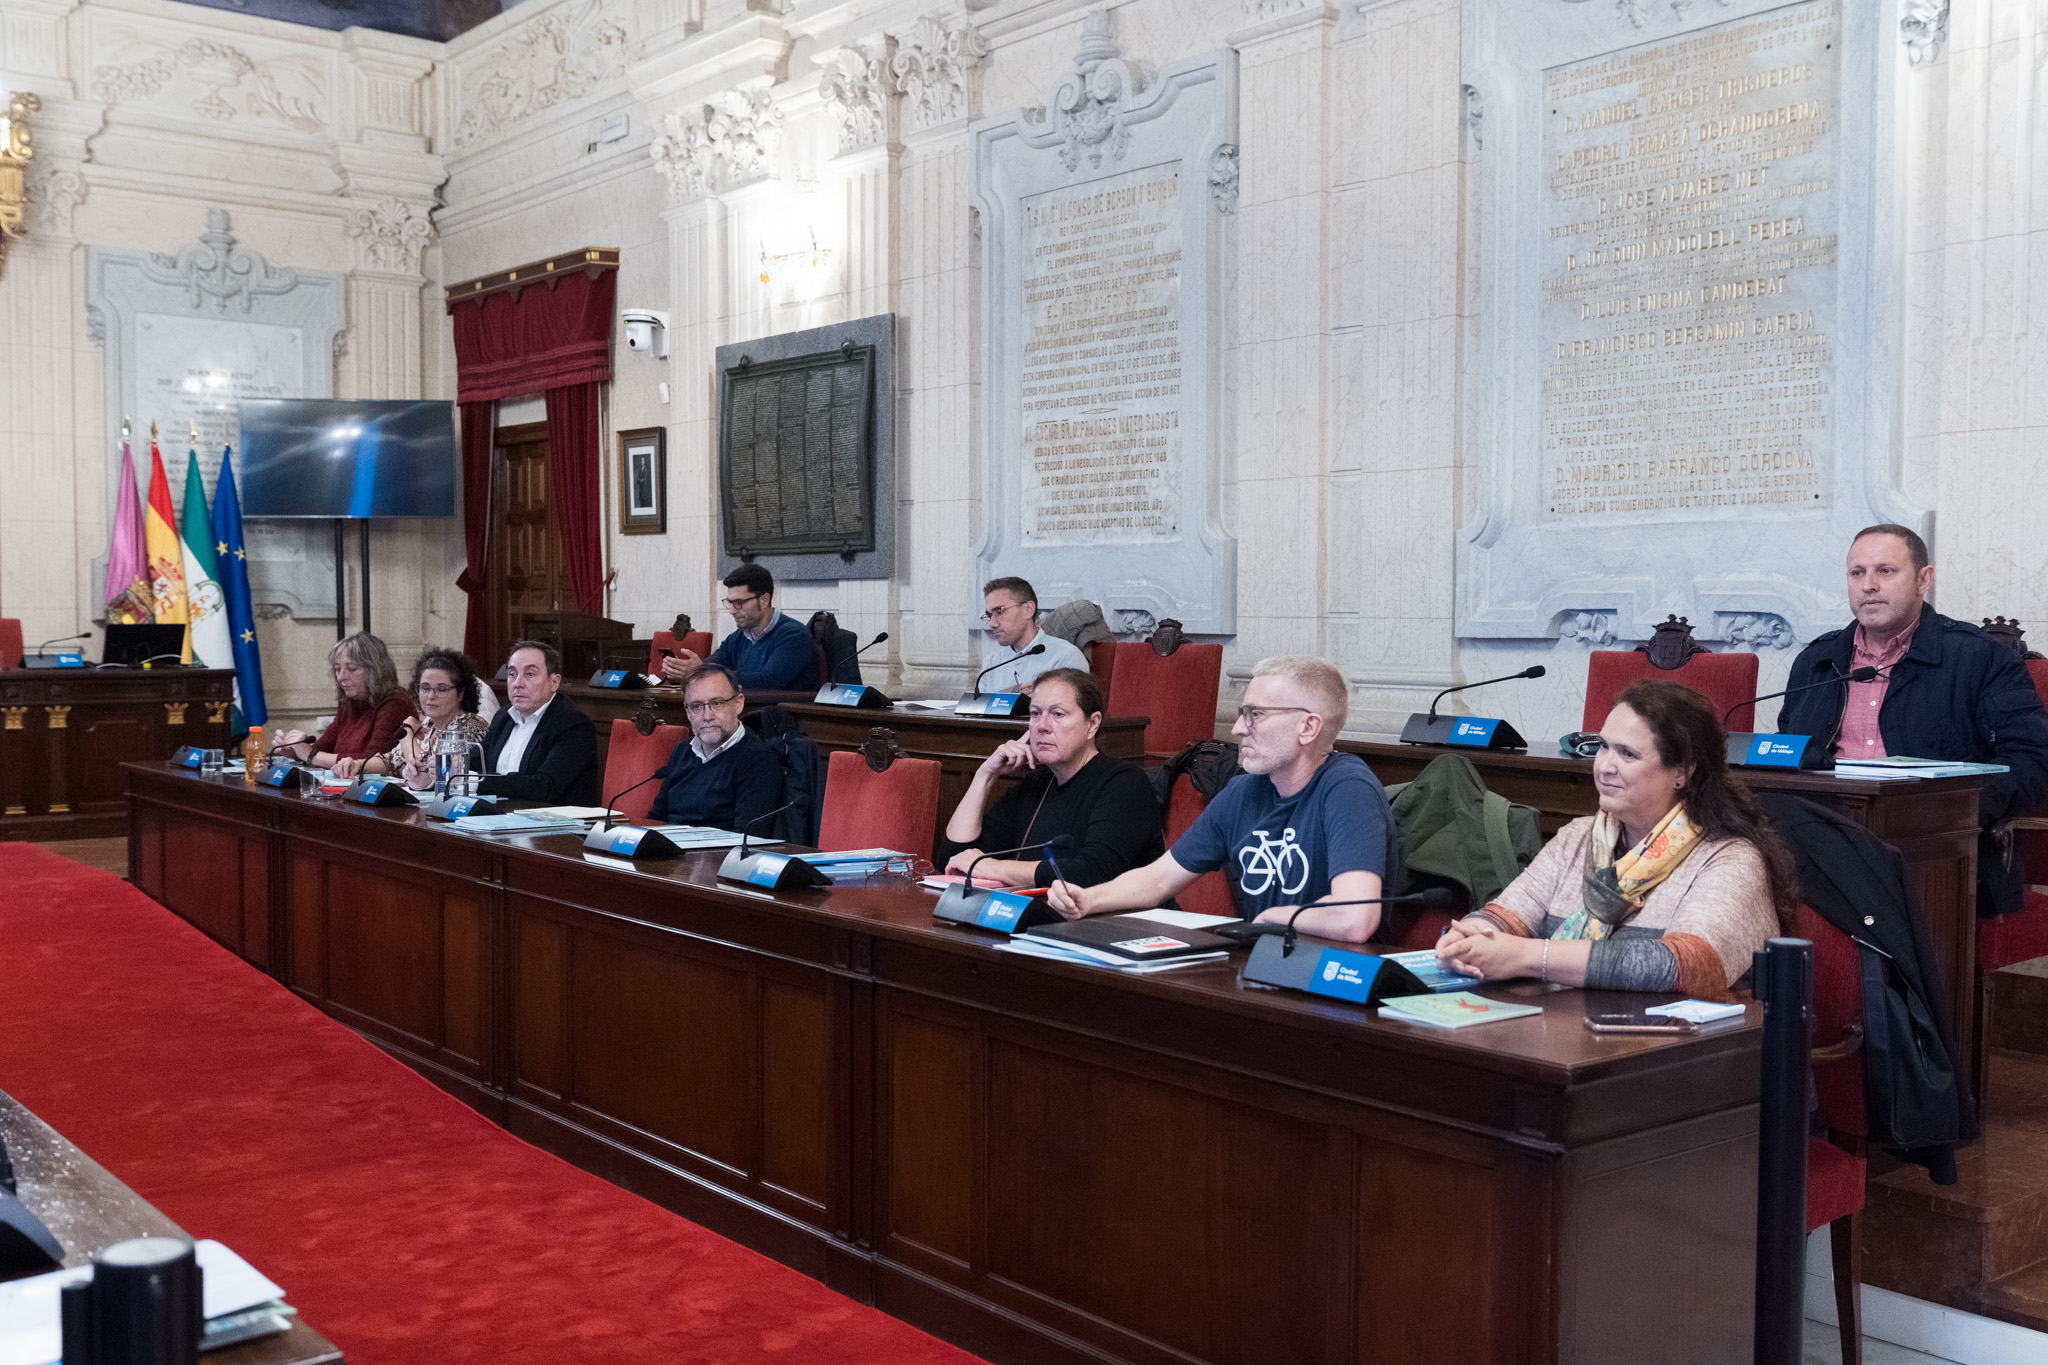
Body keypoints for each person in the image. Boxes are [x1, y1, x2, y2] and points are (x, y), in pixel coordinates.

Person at [1436, 680, 1793, 1000]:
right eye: (1602, 747)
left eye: (1627, 754)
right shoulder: (1578, 836)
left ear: (1682, 771)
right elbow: (1507, 917)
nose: (1604, 766)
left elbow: (1681, 966)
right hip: (1574, 1033)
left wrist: (1527, 956)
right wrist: (1473, 936)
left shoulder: (1730, 858)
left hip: (1685, 1056)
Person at [1777, 523, 2048, 914]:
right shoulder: (1817, 661)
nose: (1869, 584)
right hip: (1819, 838)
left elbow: (2031, 763)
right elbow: (1789, 755)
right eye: (1858, 573)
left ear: (1924, 579)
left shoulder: (1981, 659)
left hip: (1933, 850)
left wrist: (1946, 810)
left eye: (1885, 571)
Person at [1046, 656, 1391, 940]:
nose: (1239, 729)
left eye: (1256, 714)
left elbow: (1354, 917)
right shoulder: (1244, 790)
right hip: (1265, 964)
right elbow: (1159, 879)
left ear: (1308, 728)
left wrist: (1273, 917)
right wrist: (1089, 898)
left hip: (1334, 982)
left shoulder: (1348, 788)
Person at [938, 668, 1162, 888]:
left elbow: (1092, 873)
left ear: (1092, 724)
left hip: (1110, 921)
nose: (1042, 726)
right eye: (1036, 713)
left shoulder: (1124, 784)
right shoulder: (1037, 783)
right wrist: (984, 776)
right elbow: (954, 860)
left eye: (1058, 714)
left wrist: (990, 867)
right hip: (1043, 916)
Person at [645, 663, 785, 829]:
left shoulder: (759, 759)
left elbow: (746, 839)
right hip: (669, 850)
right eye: (696, 706)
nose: (707, 716)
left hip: (717, 853)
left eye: (717, 703)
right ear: (688, 712)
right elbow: (655, 820)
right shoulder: (682, 751)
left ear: (738, 704)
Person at [334, 649, 491, 787]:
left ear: (460, 693)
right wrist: (357, 765)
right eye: (425, 688)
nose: (431, 696)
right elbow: (389, 762)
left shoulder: (470, 725)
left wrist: (407, 734)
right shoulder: (428, 725)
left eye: (441, 689)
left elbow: (425, 770)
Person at [658, 565, 820, 691]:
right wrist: (684, 671)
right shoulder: (738, 637)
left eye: (739, 603)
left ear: (764, 600)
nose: (732, 610)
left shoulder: (793, 635)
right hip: (746, 715)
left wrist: (702, 672)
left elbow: (768, 682)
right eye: (730, 603)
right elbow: (711, 665)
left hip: (782, 725)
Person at [477, 640, 601, 805]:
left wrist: (476, 781)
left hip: (555, 824)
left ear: (554, 682)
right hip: (499, 817)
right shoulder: (503, 716)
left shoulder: (574, 725)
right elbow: (475, 762)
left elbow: (544, 787)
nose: (517, 683)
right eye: (512, 674)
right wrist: (453, 766)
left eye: (530, 674)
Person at [274, 633, 415, 768]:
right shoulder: (350, 703)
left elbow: (372, 761)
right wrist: (294, 750)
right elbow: (322, 748)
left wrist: (309, 754)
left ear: (375, 670)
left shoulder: (395, 703)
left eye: (352, 668)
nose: (341, 677)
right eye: (337, 669)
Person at [976, 577, 1089, 695]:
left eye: (999, 611)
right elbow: (978, 710)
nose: (992, 624)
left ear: (1028, 610)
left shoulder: (1066, 657)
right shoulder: (992, 663)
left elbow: (1077, 709)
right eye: (989, 615)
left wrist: (1043, 697)